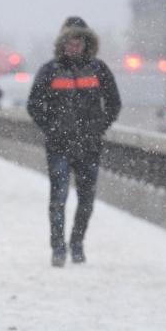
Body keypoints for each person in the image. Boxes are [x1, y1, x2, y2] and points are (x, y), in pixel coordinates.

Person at [27, 16, 121, 267]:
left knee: (86, 199)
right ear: (62, 43)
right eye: (69, 41)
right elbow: (34, 105)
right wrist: (51, 128)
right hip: (59, 146)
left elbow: (114, 103)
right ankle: (58, 248)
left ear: (86, 43)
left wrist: (98, 127)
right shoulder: (50, 70)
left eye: (78, 41)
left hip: (89, 147)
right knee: (58, 199)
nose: (74, 46)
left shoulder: (99, 70)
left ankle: (76, 243)